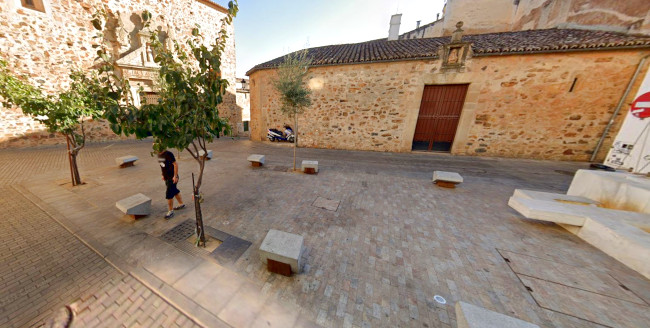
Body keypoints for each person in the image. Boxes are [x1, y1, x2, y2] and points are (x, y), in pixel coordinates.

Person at [158, 150, 185, 219]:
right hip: (167, 177)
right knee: (174, 190)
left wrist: (175, 176)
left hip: (172, 177)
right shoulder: (159, 154)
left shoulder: (168, 154)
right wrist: (162, 174)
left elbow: (175, 164)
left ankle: (170, 211)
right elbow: (162, 165)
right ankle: (181, 204)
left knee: (169, 193)